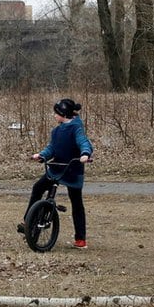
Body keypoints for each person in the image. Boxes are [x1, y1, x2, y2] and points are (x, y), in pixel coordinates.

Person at [17, 98, 94, 249]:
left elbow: (83, 142)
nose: (54, 115)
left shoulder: (76, 128)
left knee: (76, 202)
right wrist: (42, 155)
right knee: (38, 187)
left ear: (63, 114)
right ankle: (28, 221)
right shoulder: (56, 131)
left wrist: (85, 154)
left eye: (56, 113)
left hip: (72, 170)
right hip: (57, 167)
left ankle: (80, 239)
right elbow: (52, 148)